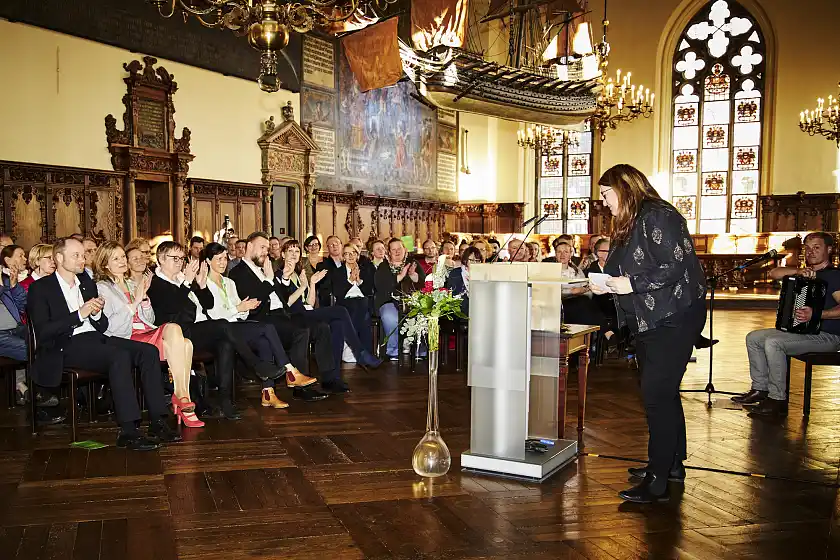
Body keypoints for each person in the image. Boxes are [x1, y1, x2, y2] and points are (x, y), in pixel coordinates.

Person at [589, 164, 706, 504]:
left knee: (656, 394)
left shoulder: (658, 215)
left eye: (606, 195)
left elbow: (676, 264)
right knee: (664, 393)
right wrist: (604, 284)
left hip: (673, 315)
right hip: (651, 316)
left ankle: (658, 480)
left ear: (624, 189)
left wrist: (632, 284)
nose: (604, 202)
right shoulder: (629, 221)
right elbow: (616, 267)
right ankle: (670, 465)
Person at [27, 237, 176, 449]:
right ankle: (129, 430)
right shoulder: (41, 288)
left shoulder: (86, 284)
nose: (82, 259)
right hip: (65, 344)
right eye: (76, 255)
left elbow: (102, 323)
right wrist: (79, 314)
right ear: (59, 258)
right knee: (118, 356)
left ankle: (158, 421)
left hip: (95, 339)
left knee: (148, 351)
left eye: (83, 255)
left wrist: (96, 314)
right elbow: (43, 332)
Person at [147, 241, 281, 419]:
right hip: (177, 335)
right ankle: (256, 365)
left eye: (181, 258)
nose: (179, 262)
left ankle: (225, 401)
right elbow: (173, 307)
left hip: (196, 328)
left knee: (225, 343)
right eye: (174, 258)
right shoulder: (155, 283)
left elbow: (207, 304)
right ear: (161, 260)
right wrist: (187, 282)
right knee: (222, 325)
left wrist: (201, 286)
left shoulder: (182, 278)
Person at [93, 241, 204, 428]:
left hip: (145, 330)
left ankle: (181, 395)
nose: (122, 261)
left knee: (183, 339)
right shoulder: (102, 287)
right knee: (184, 343)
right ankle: (183, 400)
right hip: (125, 336)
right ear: (105, 264)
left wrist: (144, 303)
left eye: (122, 257)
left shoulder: (131, 283)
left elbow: (150, 318)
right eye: (116, 258)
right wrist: (135, 303)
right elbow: (110, 326)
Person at [735, 232, 840, 417]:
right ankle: (760, 389)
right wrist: (799, 271)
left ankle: (777, 400)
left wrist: (816, 314)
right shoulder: (806, 273)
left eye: (816, 247)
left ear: (829, 250)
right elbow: (774, 273)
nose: (811, 252)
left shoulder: (834, 276)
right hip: (806, 333)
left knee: (773, 342)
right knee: (754, 338)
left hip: (828, 337)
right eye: (807, 248)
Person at [201, 242, 316, 409]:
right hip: (222, 329)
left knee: (264, 341)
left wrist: (245, 308)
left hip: (237, 324)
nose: (223, 262)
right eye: (218, 259)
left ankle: (268, 393)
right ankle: (291, 370)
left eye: (225, 258)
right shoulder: (204, 284)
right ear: (208, 261)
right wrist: (238, 308)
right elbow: (213, 316)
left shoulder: (229, 283)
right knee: (267, 328)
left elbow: (241, 312)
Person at [227, 232, 331, 400]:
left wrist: (284, 278)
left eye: (267, 249)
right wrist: (269, 281)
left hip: (282, 313)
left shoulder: (263, 269)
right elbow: (254, 303)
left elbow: (281, 297)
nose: (265, 252)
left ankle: (328, 378)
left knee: (320, 326)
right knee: (301, 331)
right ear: (249, 246)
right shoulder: (238, 272)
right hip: (262, 318)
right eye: (262, 248)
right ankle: (298, 383)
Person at [278, 239, 382, 380]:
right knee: (340, 311)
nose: (294, 254)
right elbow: (286, 304)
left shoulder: (299, 273)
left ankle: (333, 378)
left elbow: (309, 302)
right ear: (283, 255)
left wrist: (312, 284)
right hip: (292, 316)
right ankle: (360, 352)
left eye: (297, 251)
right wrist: (303, 287)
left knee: (338, 324)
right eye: (290, 251)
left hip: (306, 312)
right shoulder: (280, 275)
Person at [374, 238, 426, 360]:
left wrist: (413, 276)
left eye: (399, 249)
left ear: (405, 250)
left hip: (411, 301)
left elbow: (423, 284)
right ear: (389, 253)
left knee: (423, 314)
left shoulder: (413, 263)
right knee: (389, 316)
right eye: (393, 249)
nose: (397, 252)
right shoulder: (383, 266)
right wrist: (400, 276)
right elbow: (380, 286)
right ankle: (394, 349)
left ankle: (418, 348)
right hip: (389, 301)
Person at [330, 243, 375, 354]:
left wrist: (359, 281)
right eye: (346, 254)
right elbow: (337, 293)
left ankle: (352, 349)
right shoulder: (337, 272)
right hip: (345, 303)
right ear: (343, 257)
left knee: (362, 304)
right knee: (363, 314)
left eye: (353, 253)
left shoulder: (365, 270)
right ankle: (363, 352)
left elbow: (369, 291)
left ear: (357, 255)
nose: (350, 256)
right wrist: (350, 280)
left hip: (362, 303)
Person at [0, 244, 29, 407]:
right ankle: (36, 392)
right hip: (1, 334)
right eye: (20, 255)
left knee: (44, 339)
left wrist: (13, 286)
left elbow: (23, 305)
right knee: (31, 349)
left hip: (16, 328)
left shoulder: (7, 280)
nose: (24, 259)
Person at [445, 246, 481, 316]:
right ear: (465, 260)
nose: (475, 263)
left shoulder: (482, 275)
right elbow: (451, 295)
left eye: (477, 261)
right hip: (459, 315)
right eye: (471, 260)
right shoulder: (455, 273)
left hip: (477, 313)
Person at [316, 235, 345, 307]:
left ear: (341, 245)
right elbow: (325, 286)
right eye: (331, 245)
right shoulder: (322, 265)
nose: (334, 246)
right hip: (331, 300)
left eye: (337, 244)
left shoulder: (348, 262)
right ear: (328, 248)